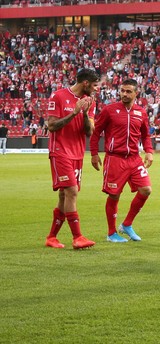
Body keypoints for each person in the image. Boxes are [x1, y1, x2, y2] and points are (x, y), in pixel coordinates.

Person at [90, 79, 154, 243]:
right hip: (115, 158)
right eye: (122, 91)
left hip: (134, 159)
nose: (124, 94)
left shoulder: (141, 112)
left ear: (136, 93)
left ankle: (127, 224)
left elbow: (145, 135)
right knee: (114, 195)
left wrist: (149, 152)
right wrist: (94, 154)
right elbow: (96, 133)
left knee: (146, 189)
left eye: (128, 91)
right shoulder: (109, 110)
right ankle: (111, 233)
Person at [44, 68, 98, 250]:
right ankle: (78, 237)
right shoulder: (58, 96)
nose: (96, 89)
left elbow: (89, 132)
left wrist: (84, 113)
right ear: (85, 83)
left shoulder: (90, 102)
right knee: (72, 191)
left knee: (64, 195)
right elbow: (51, 126)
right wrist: (74, 112)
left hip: (77, 153)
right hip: (60, 151)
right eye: (94, 85)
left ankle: (51, 237)